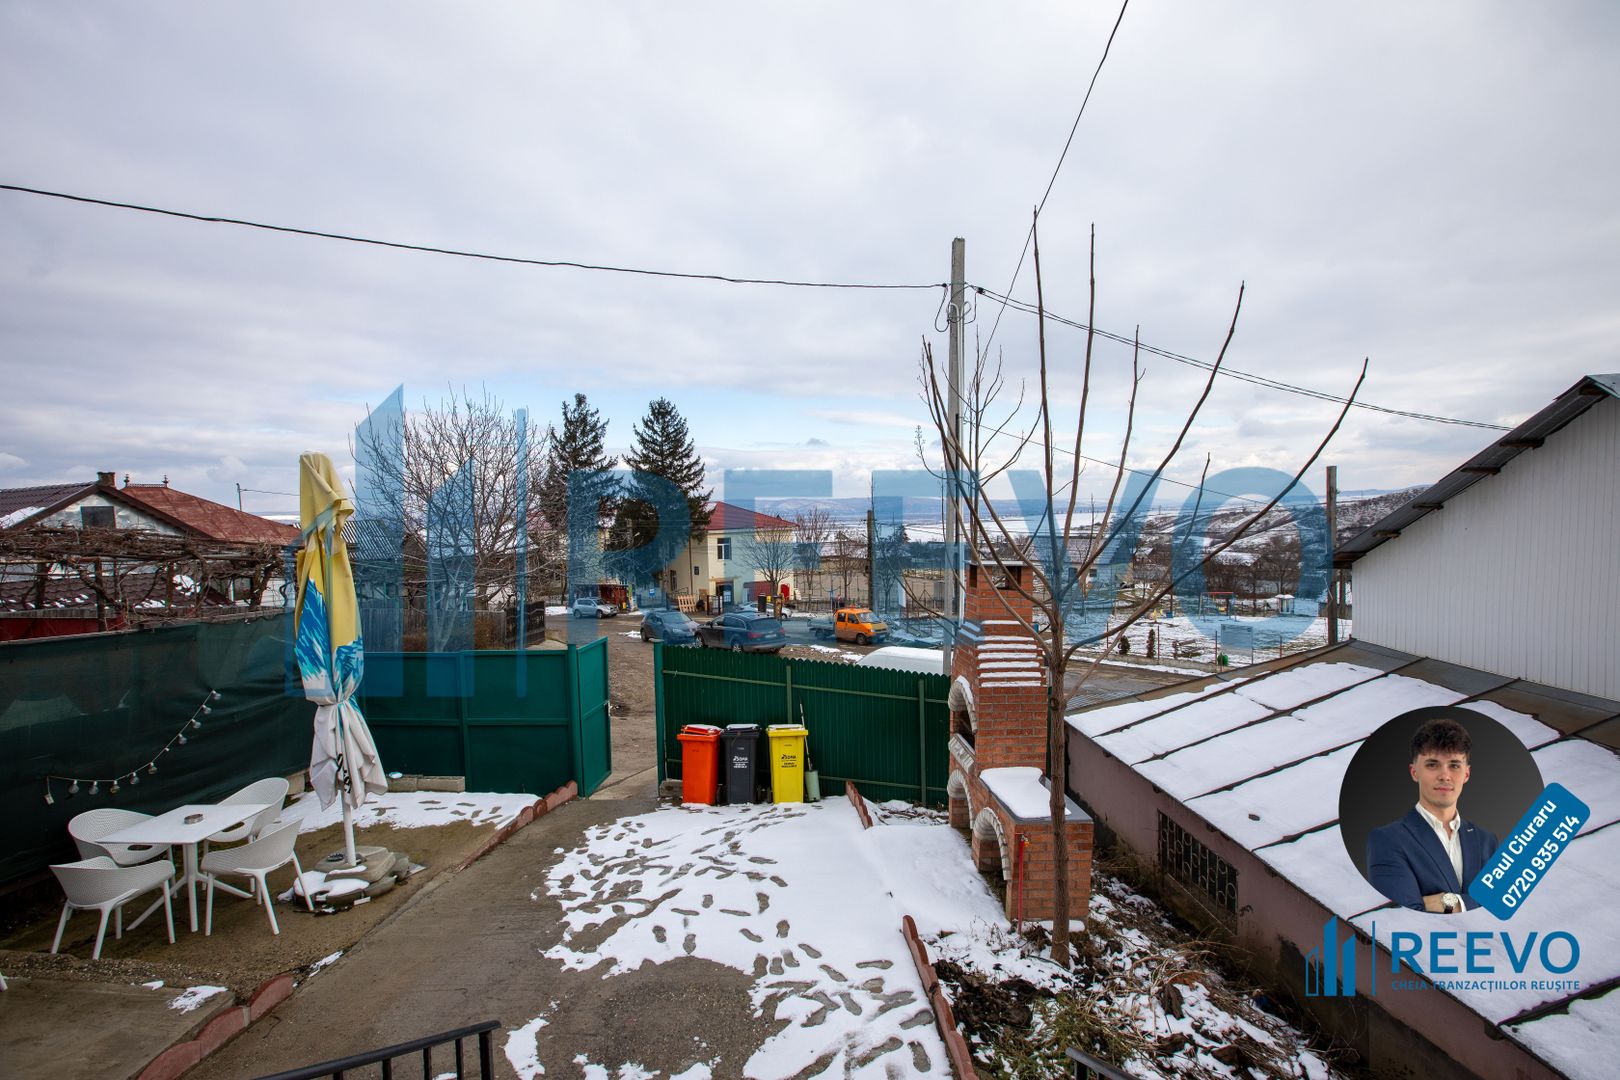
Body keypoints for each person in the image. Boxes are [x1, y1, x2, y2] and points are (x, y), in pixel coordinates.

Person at [1366, 718, 1499, 913]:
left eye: (1454, 765)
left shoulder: (1486, 841)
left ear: (1466, 774)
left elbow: (1501, 905)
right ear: (1414, 772)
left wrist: (1450, 903)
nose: (1444, 776)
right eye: (1432, 765)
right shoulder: (1387, 840)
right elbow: (1403, 913)